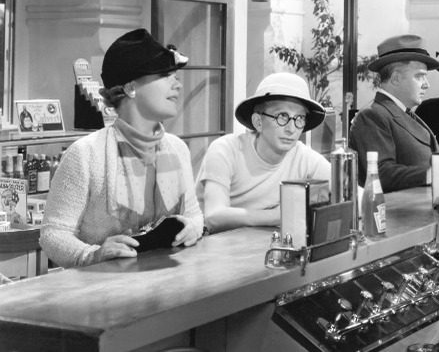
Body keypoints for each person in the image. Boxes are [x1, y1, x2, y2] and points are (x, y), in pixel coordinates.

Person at [40, 28, 203, 268]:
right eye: (165, 75)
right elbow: (53, 235)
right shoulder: (86, 153)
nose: (178, 85)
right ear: (129, 88)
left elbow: (194, 215)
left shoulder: (177, 149)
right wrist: (93, 254)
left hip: (170, 284)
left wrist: (192, 228)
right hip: (102, 293)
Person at [196, 72, 330, 233]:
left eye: (299, 118)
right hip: (211, 247)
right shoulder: (226, 150)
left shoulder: (303, 156)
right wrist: (282, 215)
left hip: (264, 247)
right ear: (258, 122)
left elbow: (350, 191)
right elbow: (214, 216)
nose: (291, 129)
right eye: (282, 116)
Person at [349, 34, 439, 193]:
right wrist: (433, 174)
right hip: (395, 214)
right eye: (419, 76)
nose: (427, 84)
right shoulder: (372, 116)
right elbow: (381, 174)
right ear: (396, 78)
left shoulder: (405, 114)